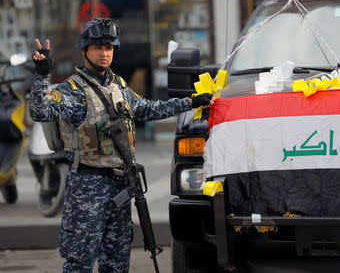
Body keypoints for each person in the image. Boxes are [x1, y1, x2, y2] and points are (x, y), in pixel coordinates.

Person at [28, 18, 213, 273]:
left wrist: (191, 102)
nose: (104, 53)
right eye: (98, 48)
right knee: (79, 262)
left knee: (117, 261)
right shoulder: (73, 90)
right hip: (87, 186)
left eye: (109, 48)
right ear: (84, 51)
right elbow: (40, 111)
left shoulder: (119, 85)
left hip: (120, 185)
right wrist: (42, 76)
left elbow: (148, 108)